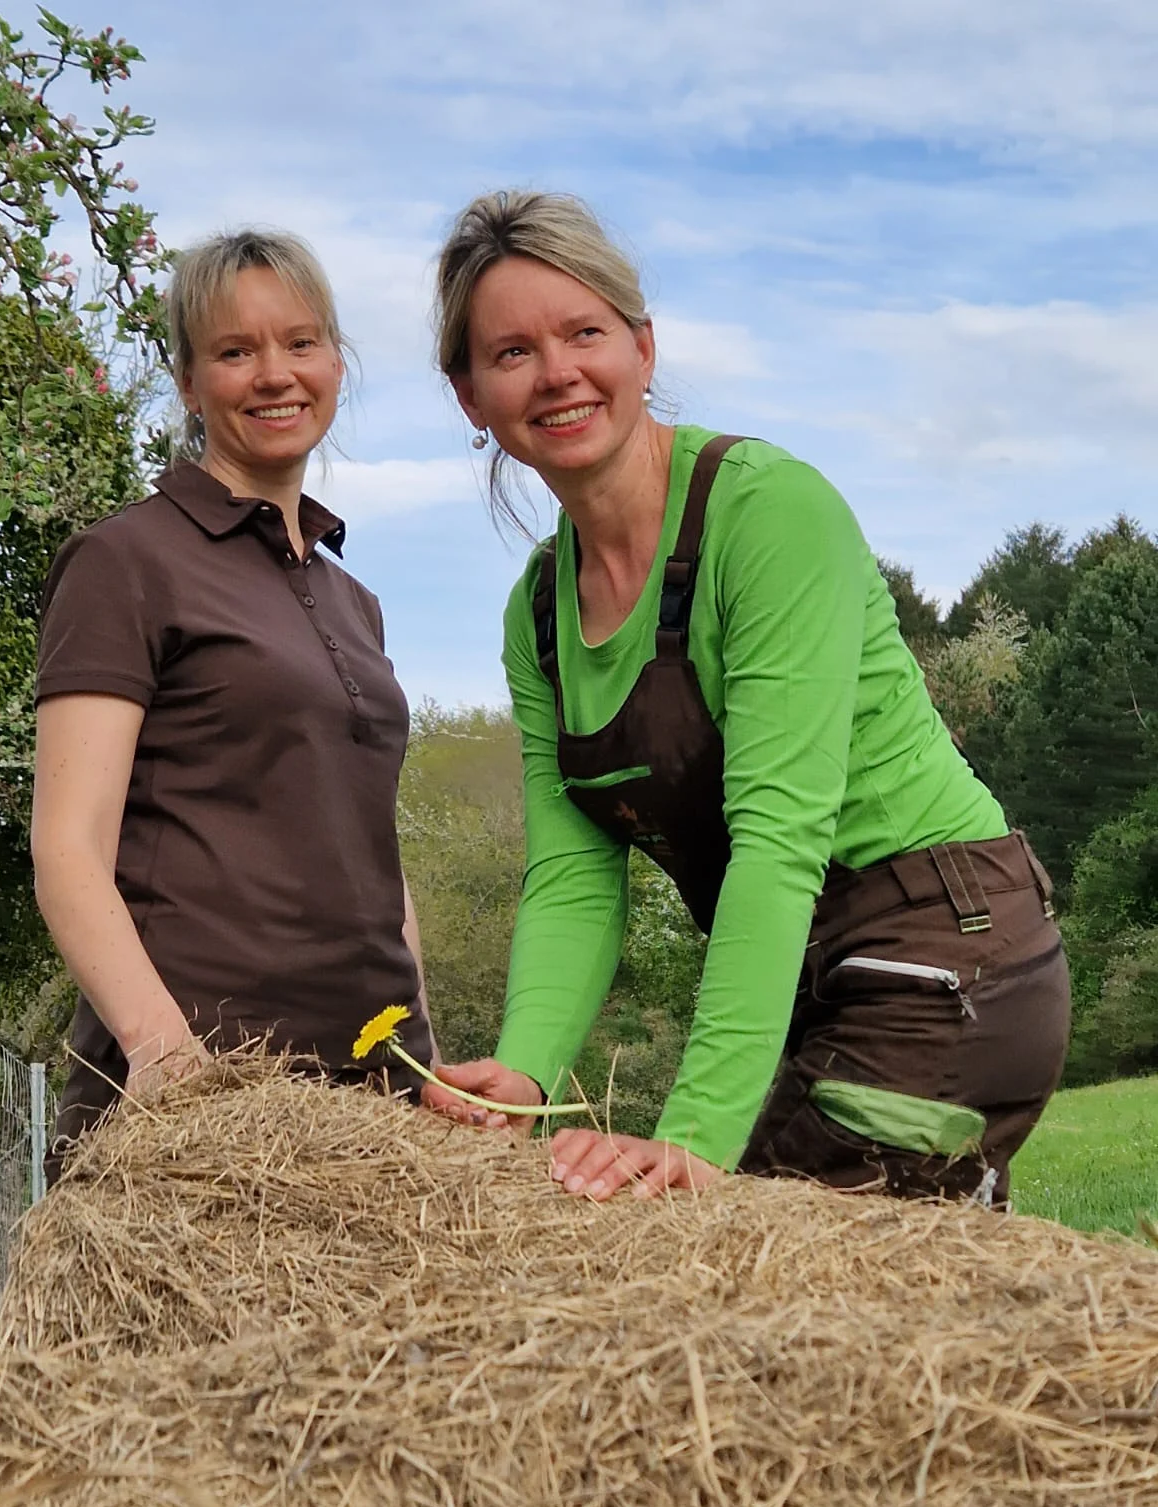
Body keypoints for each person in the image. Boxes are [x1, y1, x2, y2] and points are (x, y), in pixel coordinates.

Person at [422, 189, 1069, 1206]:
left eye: (585, 333)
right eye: (512, 352)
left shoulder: (768, 513)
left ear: (642, 348)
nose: (556, 373)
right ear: (471, 397)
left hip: (945, 949)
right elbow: (573, 876)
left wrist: (694, 1139)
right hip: (817, 973)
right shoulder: (537, 614)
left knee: (730, 1245)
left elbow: (778, 837)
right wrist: (528, 1070)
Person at [32, 230, 435, 1180]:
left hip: (374, 1094)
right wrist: (167, 1060)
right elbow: (67, 847)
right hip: (200, 1092)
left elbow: (373, 854)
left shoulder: (355, 603)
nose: (274, 374)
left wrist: (424, 1049)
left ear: (336, 363)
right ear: (187, 381)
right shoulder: (124, 562)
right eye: (234, 351)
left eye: (300, 343)